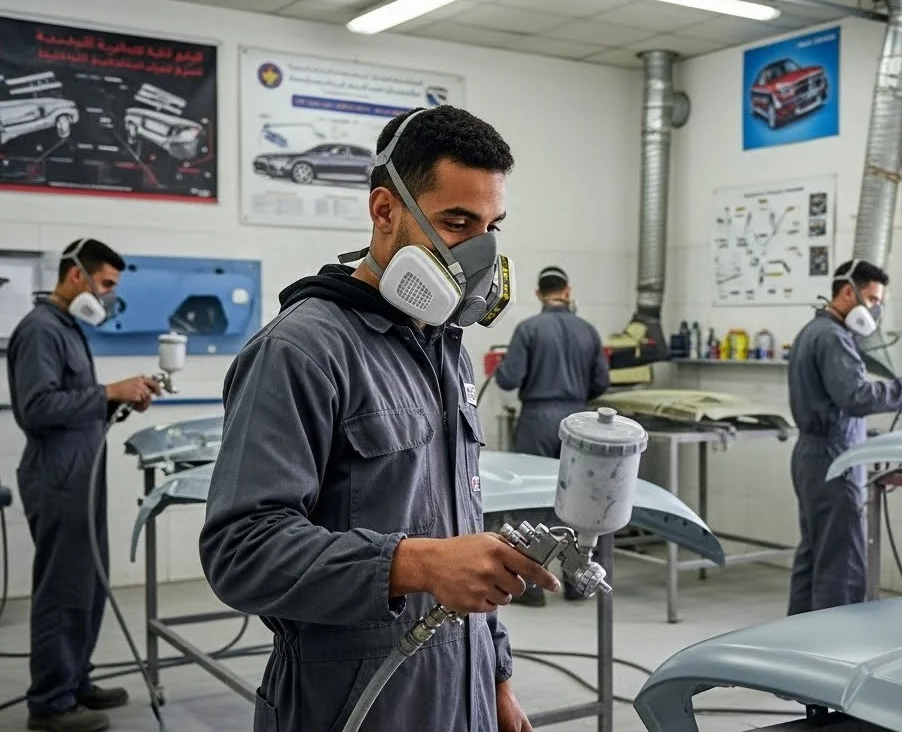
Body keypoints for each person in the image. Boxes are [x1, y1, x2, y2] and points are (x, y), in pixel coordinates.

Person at [198, 106, 561, 732]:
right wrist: (417, 566)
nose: (478, 253)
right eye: (457, 223)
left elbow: (459, 525)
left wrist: (494, 677)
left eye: (491, 228)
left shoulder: (447, 349)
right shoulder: (302, 350)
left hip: (460, 688)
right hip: (352, 699)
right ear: (385, 211)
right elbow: (241, 551)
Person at [7, 238, 163, 732]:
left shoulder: (68, 329)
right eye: (106, 284)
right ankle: (50, 703)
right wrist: (107, 390)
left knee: (87, 584)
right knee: (63, 588)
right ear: (77, 275)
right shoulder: (40, 330)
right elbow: (36, 409)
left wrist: (117, 399)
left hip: (80, 471)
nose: (109, 295)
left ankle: (75, 681)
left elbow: (73, 402)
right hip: (57, 475)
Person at [786, 259, 902, 616]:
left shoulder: (812, 331)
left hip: (813, 456)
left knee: (815, 554)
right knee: (841, 564)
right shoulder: (833, 338)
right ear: (846, 292)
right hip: (834, 459)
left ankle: (795, 638)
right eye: (871, 300)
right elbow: (855, 397)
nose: (875, 310)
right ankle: (836, 643)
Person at [492, 265, 610, 607]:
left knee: (530, 500)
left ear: (538, 294)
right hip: (577, 423)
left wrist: (502, 366)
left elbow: (508, 379)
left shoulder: (529, 329)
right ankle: (577, 582)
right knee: (577, 502)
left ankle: (530, 586)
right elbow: (601, 382)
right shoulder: (588, 331)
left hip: (537, 420)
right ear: (567, 291)